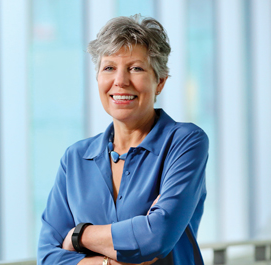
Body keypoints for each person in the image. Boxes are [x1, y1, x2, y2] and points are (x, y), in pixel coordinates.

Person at [37, 14, 209, 265]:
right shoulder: (75, 158)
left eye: (135, 68)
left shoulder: (185, 142)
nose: (120, 81)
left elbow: (156, 238)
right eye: (109, 68)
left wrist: (78, 235)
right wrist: (111, 261)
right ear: (98, 78)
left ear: (160, 81)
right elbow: (48, 255)